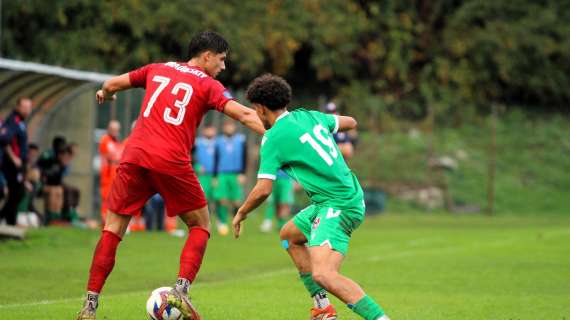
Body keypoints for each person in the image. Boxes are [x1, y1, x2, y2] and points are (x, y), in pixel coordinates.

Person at [76, 31, 264, 320]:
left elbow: (111, 84)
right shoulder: (207, 84)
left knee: (112, 228)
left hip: (135, 155)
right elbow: (246, 115)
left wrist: (107, 94)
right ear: (207, 56)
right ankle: (180, 291)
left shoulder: (157, 69)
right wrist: (279, 137)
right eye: (222, 60)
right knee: (201, 224)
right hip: (170, 160)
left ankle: (89, 305)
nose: (223, 67)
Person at [232, 74, 389, 320]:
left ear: (260, 108)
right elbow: (350, 122)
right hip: (332, 200)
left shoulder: (273, 139)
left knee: (324, 274)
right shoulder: (308, 116)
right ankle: (323, 308)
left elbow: (263, 189)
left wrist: (241, 212)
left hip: (339, 204)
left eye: (255, 109)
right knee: (289, 236)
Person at [0, 97, 32, 226]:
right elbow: (4, 139)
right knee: (15, 192)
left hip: (19, 164)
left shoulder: (22, 122)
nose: (27, 110)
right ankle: (8, 220)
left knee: (18, 192)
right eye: (24, 107)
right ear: (18, 107)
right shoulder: (13, 120)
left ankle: (9, 221)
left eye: (29, 107)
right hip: (11, 165)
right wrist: (14, 158)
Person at [213, 120, 246, 235]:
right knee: (222, 199)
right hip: (222, 173)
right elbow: (216, 159)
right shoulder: (218, 141)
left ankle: (237, 222)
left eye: (231, 126)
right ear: (223, 128)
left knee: (236, 201)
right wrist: (215, 176)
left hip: (236, 174)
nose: (229, 128)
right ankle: (221, 222)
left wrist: (243, 173)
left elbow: (244, 157)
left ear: (234, 127)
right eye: (227, 126)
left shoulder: (241, 140)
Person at [98, 120, 122, 224]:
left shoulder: (116, 142)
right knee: (106, 200)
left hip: (115, 176)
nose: (115, 132)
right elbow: (111, 156)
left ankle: (110, 223)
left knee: (113, 200)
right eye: (113, 129)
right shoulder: (105, 140)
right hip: (107, 176)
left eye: (117, 130)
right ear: (109, 130)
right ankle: (105, 223)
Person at [193, 124, 217, 216]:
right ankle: (202, 217)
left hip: (215, 176)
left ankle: (221, 221)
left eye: (212, 130)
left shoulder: (217, 143)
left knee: (218, 198)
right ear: (204, 131)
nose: (210, 132)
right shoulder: (198, 143)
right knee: (202, 198)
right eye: (208, 130)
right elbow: (191, 157)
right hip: (202, 176)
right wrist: (197, 167)